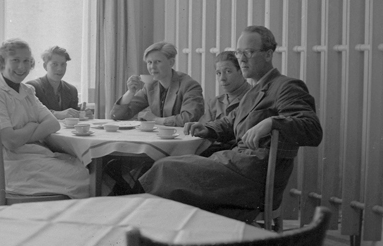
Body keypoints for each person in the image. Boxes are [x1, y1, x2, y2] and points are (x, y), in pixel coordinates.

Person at [139, 26, 323, 222]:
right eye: (238, 52)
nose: (241, 59)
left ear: (268, 54)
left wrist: (271, 122)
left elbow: (312, 128)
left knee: (167, 169)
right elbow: (231, 121)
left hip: (252, 176)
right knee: (168, 167)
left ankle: (152, 230)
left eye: (248, 52)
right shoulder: (254, 91)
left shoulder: (285, 86)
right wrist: (207, 128)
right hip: (238, 168)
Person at [0, 38, 89, 198]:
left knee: (89, 168)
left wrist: (23, 134)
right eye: (15, 60)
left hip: (35, 156)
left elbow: (53, 124)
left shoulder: (28, 91)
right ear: (2, 63)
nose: (22, 67)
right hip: (14, 166)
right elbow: (11, 142)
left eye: (26, 61)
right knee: (88, 177)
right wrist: (32, 126)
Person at [110, 41, 205, 126]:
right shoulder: (150, 86)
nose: (152, 67)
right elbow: (117, 115)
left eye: (157, 62)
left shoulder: (190, 86)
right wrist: (130, 92)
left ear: (171, 62)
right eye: (149, 62)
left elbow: (189, 118)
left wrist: (156, 120)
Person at [200, 51, 251, 156]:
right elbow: (203, 135)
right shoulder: (214, 103)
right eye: (218, 73)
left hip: (238, 155)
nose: (222, 78)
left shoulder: (253, 98)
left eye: (228, 71)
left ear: (241, 71)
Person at [27, 45, 90, 119]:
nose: (60, 69)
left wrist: (82, 113)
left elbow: (73, 118)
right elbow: (30, 114)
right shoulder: (32, 87)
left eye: (63, 64)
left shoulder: (72, 90)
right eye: (55, 64)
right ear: (45, 66)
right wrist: (57, 114)